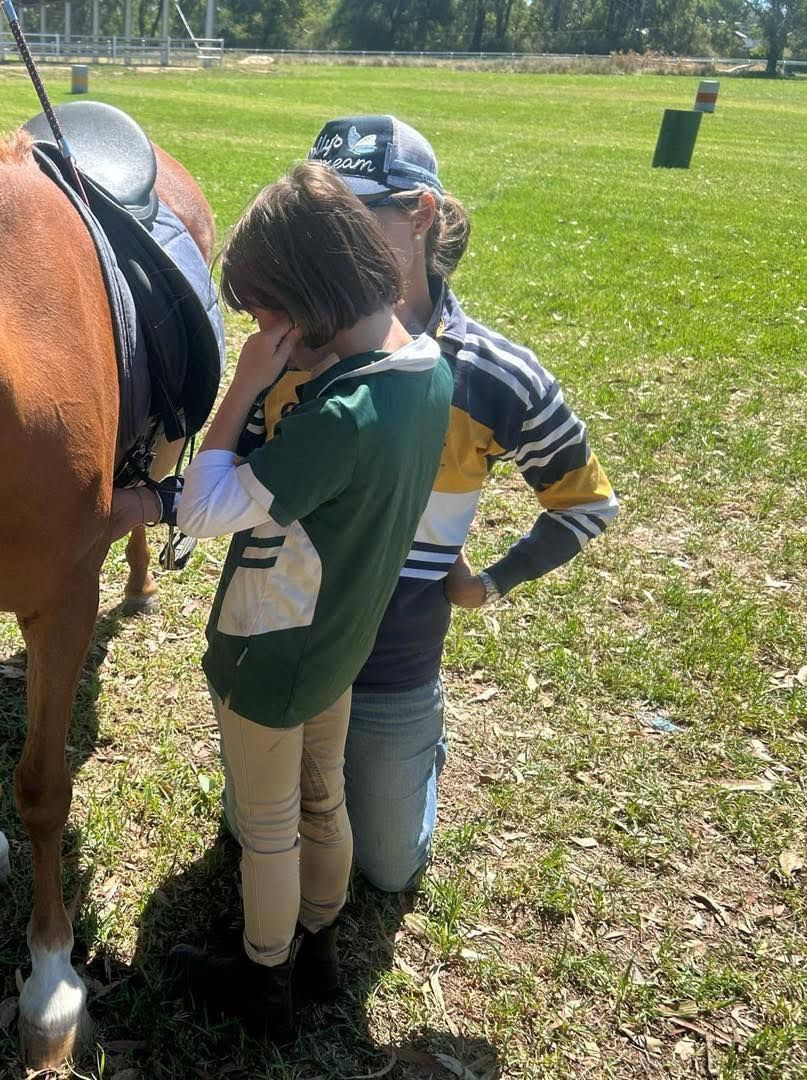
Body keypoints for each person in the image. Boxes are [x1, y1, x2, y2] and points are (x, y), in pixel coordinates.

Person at [280, 115, 619, 892]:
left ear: (420, 214)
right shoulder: (290, 351)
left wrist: (486, 581)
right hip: (294, 650)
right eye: (313, 220)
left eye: (348, 218)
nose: (319, 246)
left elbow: (585, 503)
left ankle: (418, 745)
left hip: (398, 667)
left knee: (388, 869)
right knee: (257, 837)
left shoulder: (496, 374)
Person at [162, 163, 453, 1037]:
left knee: (268, 825)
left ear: (307, 300)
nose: (261, 329)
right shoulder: (425, 367)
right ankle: (318, 944)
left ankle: (264, 979)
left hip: (275, 645)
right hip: (341, 642)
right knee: (323, 797)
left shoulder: (346, 413)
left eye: (264, 311)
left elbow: (203, 507)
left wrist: (248, 380)